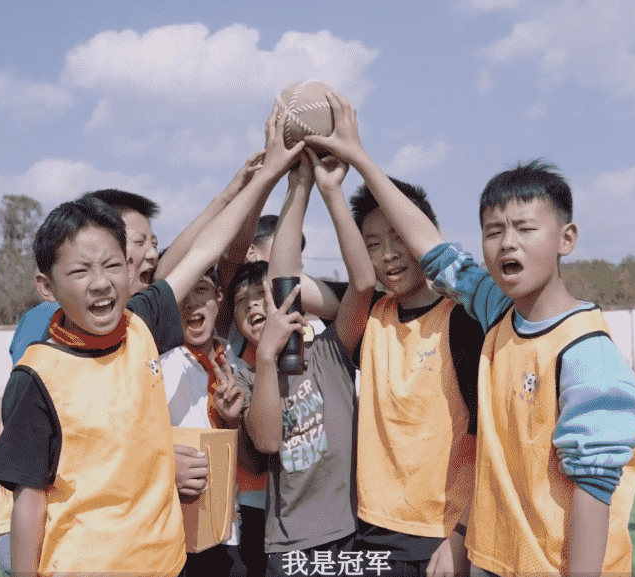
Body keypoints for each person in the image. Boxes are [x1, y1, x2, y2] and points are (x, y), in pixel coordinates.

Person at [303, 92, 635, 576]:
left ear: (567, 238)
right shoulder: (499, 313)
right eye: (493, 231)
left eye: (525, 229)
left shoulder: (584, 351)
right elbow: (437, 254)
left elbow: (593, 489)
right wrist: (355, 162)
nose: (508, 243)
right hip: (492, 558)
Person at [0, 103, 305, 576]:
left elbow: (207, 249)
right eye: (80, 271)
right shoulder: (38, 372)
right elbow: (29, 501)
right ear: (47, 287)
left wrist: (267, 175)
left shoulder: (141, 323)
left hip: (164, 564)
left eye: (113, 266)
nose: (100, 282)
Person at [318, 171, 484, 574]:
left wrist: (460, 534)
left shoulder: (464, 320)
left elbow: (490, 437)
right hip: (369, 529)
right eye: (373, 245)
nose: (388, 255)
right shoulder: (369, 312)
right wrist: (327, 190)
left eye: (399, 238)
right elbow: (289, 287)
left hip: (442, 535)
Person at [240, 147, 376, 577]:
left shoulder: (330, 351)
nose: (258, 307)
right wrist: (267, 356)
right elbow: (267, 441)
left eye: (264, 297)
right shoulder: (245, 378)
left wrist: (312, 186)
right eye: (244, 304)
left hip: (351, 532)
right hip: (291, 546)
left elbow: (363, 284)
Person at [160, 266, 252, 576]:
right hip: (184, 536)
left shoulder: (237, 363)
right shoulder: (159, 370)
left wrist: (233, 422)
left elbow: (252, 461)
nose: (191, 302)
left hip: (235, 530)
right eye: (182, 295)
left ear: (219, 296)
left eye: (201, 290)